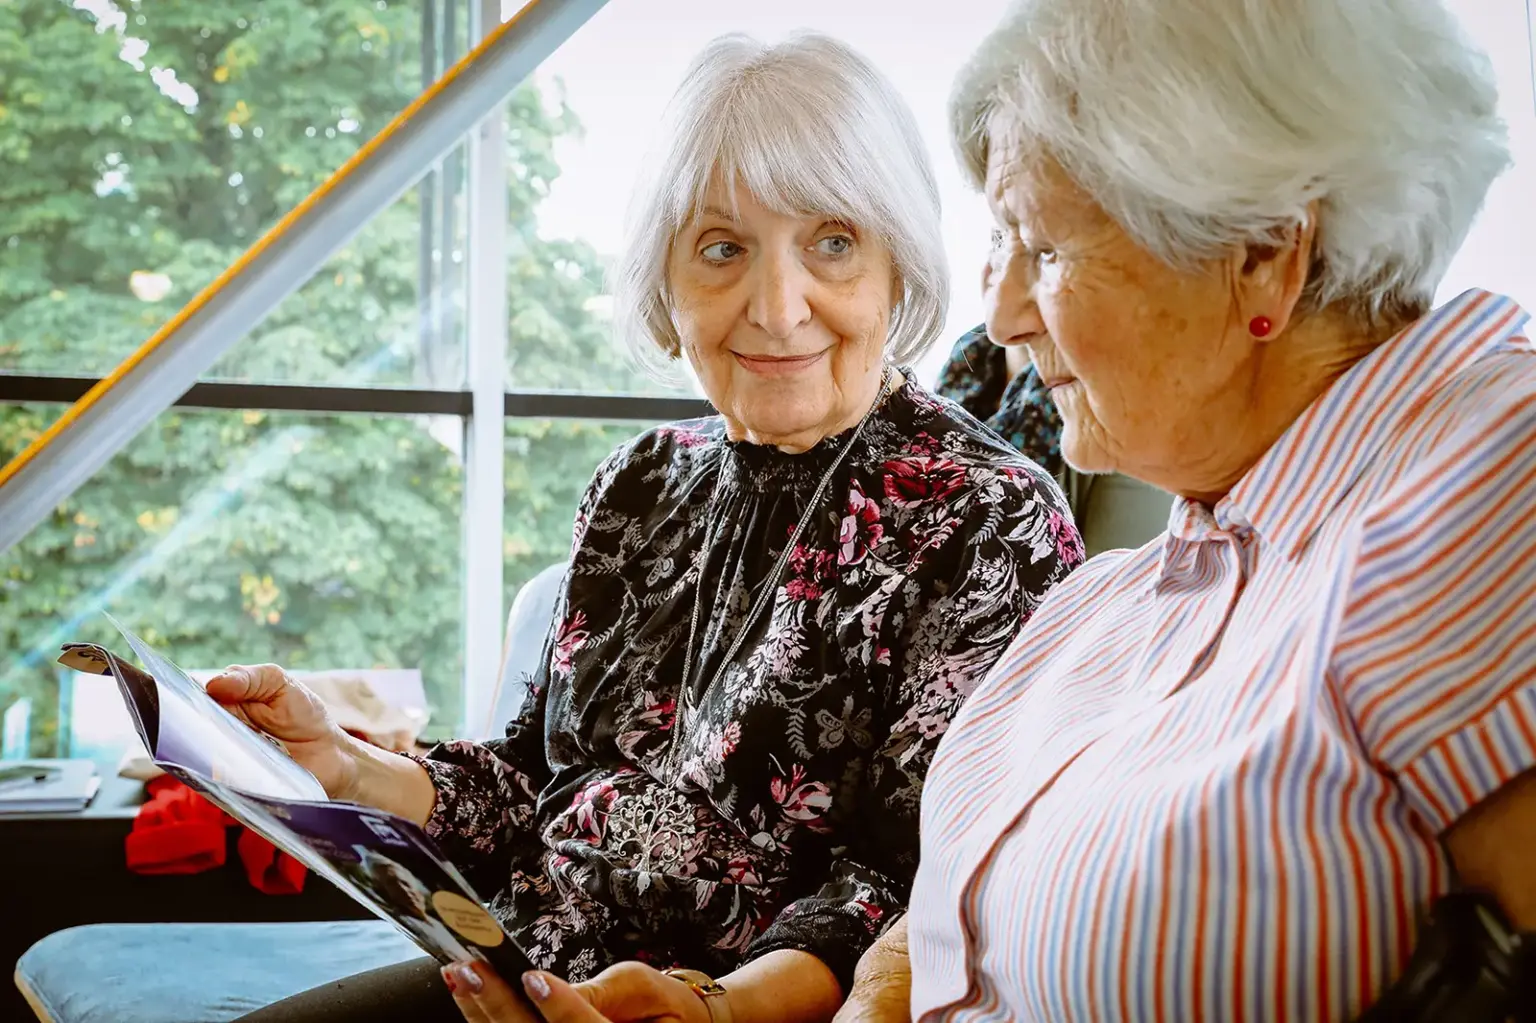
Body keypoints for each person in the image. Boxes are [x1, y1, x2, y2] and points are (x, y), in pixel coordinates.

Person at [214, 30, 1081, 1023]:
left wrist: (708, 1007)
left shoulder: (989, 516)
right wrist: (343, 766)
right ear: (667, 280)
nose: (778, 305)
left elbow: (919, 884)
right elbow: (528, 787)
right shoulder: (639, 482)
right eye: (723, 248)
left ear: (899, 264)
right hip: (518, 974)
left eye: (832, 242)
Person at [848, 0, 1536, 1019]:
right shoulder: (1114, 598)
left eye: (1042, 247)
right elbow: (993, 901)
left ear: (1262, 252)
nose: (998, 318)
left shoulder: (1482, 484)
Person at [934, 326, 1173, 557]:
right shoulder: (965, 364)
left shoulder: (1128, 401)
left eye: (1037, 281)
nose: (1003, 297)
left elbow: (1117, 588)